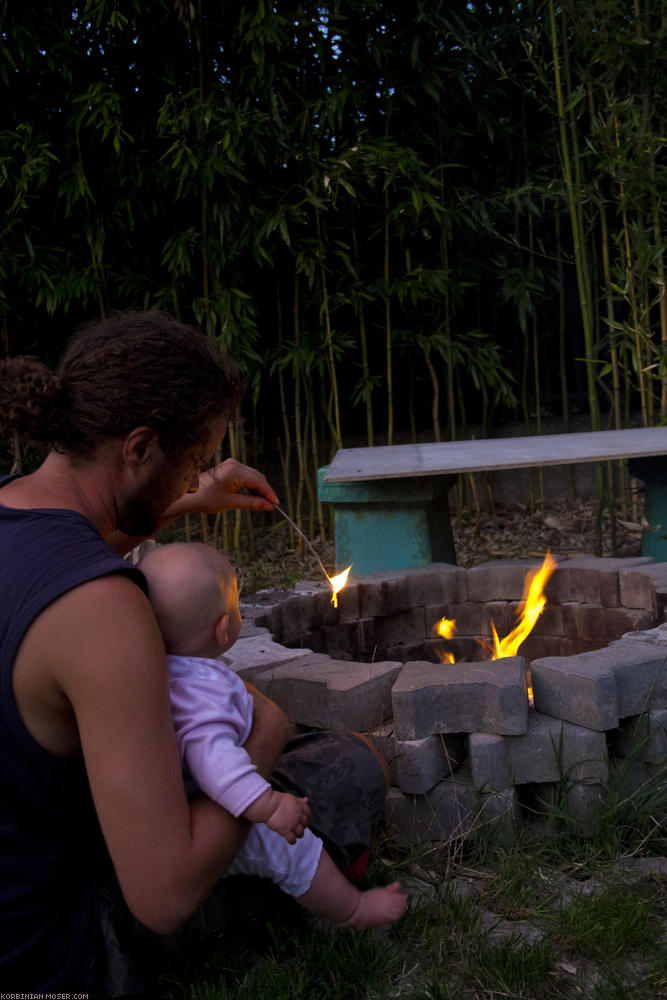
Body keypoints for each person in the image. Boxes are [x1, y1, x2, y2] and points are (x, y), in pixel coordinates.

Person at [0, 310, 391, 993]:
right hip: (48, 954)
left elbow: (60, 565)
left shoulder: (15, 517)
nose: (196, 476)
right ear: (139, 446)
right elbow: (164, 894)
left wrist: (185, 505)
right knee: (346, 764)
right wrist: (267, 733)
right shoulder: (104, 612)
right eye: (194, 459)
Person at [138, 541, 407, 931]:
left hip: (189, 802)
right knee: (295, 851)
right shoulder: (201, 695)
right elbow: (215, 763)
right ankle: (351, 910)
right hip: (210, 809)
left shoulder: (164, 668)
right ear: (224, 628)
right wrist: (268, 806)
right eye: (235, 603)